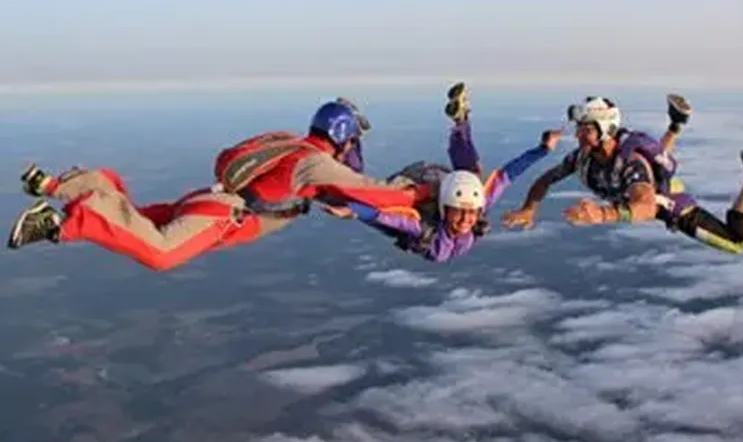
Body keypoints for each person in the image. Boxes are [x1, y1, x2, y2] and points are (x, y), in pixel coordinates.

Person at [7, 100, 428, 271]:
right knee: (160, 253)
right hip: (223, 216)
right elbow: (377, 191)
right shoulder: (316, 164)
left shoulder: (292, 144)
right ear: (342, 137)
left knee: (135, 221)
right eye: (352, 140)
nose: (353, 148)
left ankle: (62, 188)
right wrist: (424, 194)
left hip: (210, 202)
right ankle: (71, 219)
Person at [503, 95, 743, 255]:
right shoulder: (582, 157)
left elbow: (646, 205)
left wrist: (603, 215)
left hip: (671, 204)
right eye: (579, 129)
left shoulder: (631, 164)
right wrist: (529, 208)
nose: (579, 135)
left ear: (606, 130)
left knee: (738, 242)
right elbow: (546, 179)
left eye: (586, 129)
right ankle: (676, 124)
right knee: (658, 162)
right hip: (651, 180)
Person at [325, 83, 562, 263]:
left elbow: (509, 174)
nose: (466, 220)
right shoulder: (422, 226)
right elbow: (387, 217)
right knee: (357, 193)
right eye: (461, 213)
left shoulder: (477, 201)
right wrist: (354, 209)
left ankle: (461, 120)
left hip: (443, 183)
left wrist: (543, 149)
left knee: (472, 176)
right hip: (414, 188)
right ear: (445, 209)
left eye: (470, 213)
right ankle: (350, 129)